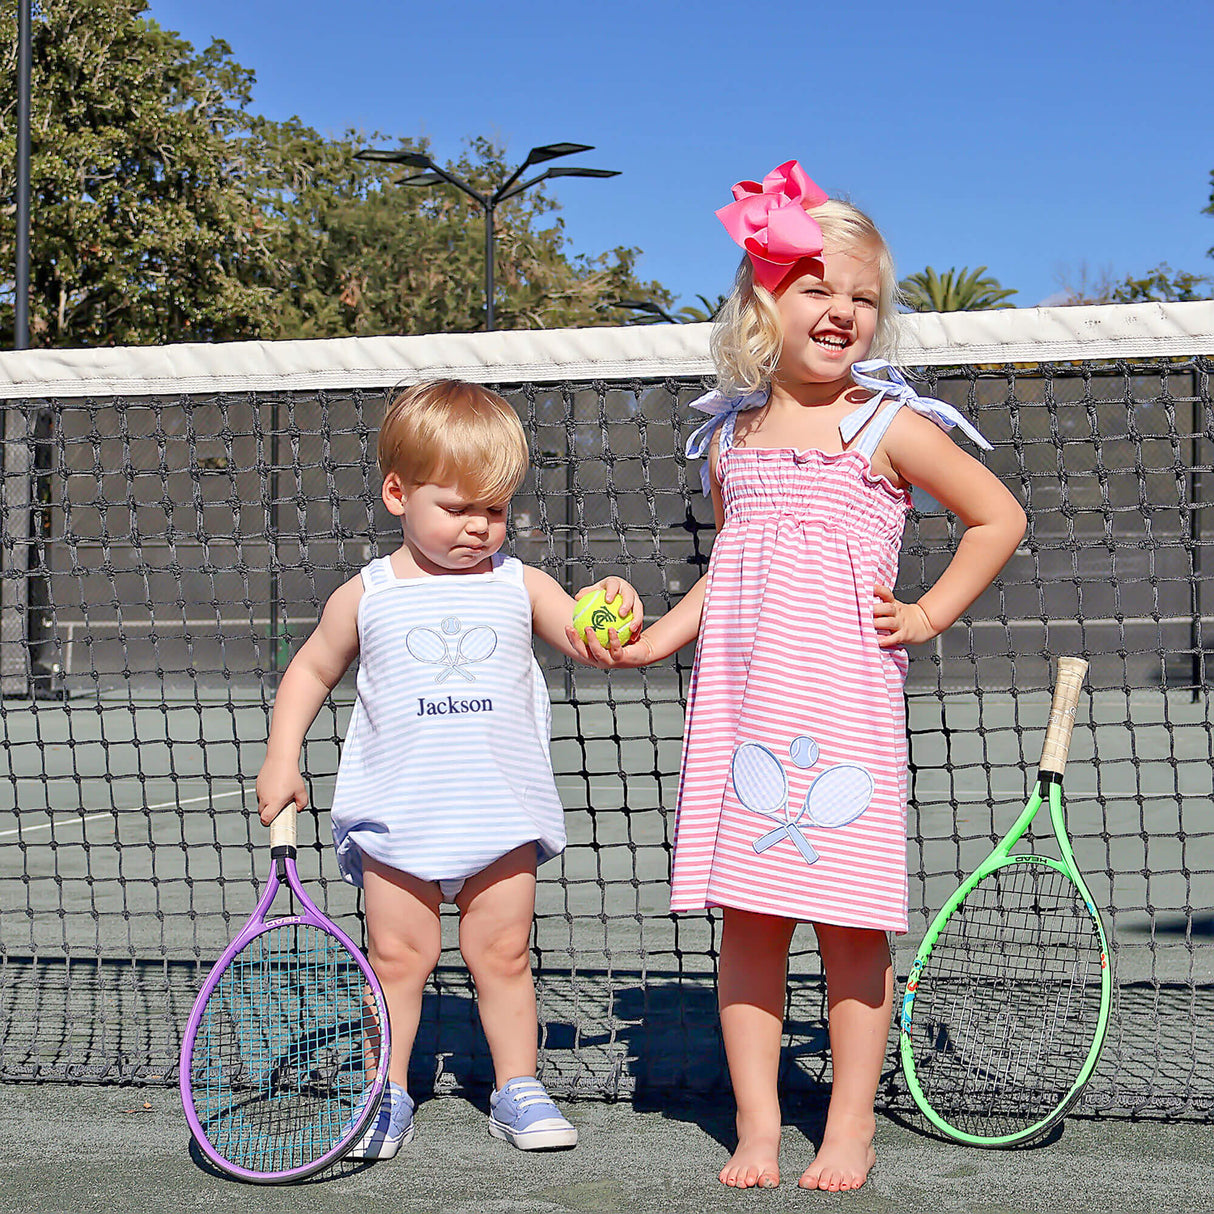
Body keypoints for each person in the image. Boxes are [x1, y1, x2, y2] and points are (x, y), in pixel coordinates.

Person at [593, 161, 1027, 1191]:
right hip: (740, 715)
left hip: (843, 718)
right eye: (816, 288)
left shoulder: (888, 427)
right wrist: (662, 636)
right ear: (763, 301)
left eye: (862, 297)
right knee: (747, 926)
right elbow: (731, 564)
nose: (841, 311)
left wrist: (924, 611)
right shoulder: (729, 436)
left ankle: (848, 1129)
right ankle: (755, 1125)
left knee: (849, 930)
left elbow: (996, 516)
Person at [254, 379, 636, 1159]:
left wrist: (611, 601)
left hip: (500, 817)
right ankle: (384, 1090)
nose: (477, 528)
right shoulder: (368, 593)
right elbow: (308, 674)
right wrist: (281, 758)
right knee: (398, 960)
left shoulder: (519, 583)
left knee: (503, 956)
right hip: (398, 817)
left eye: (493, 511)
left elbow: (584, 634)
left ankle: (518, 1089)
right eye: (457, 508)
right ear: (398, 493)